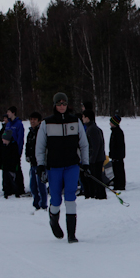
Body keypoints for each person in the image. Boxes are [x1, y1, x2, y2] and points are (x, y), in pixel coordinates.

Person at [35, 92, 90, 244]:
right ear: (54, 105)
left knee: (70, 196)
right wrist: (40, 165)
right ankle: (53, 219)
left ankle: (71, 234)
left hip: (72, 165)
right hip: (54, 167)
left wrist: (85, 163)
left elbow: (84, 144)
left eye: (64, 103)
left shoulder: (75, 121)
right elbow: (40, 147)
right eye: (59, 104)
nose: (62, 106)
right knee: (56, 198)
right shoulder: (47, 123)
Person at [82, 110, 107, 200]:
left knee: (97, 177)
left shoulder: (92, 129)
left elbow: (96, 145)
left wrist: (92, 159)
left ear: (87, 118)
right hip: (95, 158)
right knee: (95, 177)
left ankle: (100, 194)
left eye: (83, 117)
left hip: (96, 159)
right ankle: (97, 194)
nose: (82, 119)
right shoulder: (90, 128)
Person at [26, 112, 48, 210]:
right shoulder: (30, 133)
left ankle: (43, 204)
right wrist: (27, 155)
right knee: (33, 186)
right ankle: (36, 204)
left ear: (39, 121)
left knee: (41, 185)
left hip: (40, 163)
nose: (32, 121)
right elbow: (28, 145)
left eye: (34, 119)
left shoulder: (41, 132)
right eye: (31, 119)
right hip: (33, 163)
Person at [5, 106, 26, 195]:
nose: (7, 114)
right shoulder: (8, 124)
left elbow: (20, 138)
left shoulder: (18, 124)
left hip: (15, 149)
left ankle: (20, 188)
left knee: (17, 169)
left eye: (9, 112)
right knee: (9, 169)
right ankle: (10, 188)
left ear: (13, 113)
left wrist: (19, 151)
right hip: (8, 150)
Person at [0, 132, 21, 198]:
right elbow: (1, 156)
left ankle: (16, 192)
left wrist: (14, 166)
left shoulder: (13, 146)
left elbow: (15, 158)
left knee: (13, 180)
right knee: (5, 180)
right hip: (5, 166)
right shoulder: (3, 146)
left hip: (11, 167)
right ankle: (6, 192)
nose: (2, 140)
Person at [109, 114, 126, 190]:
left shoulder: (118, 132)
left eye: (111, 122)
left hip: (118, 156)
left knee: (119, 170)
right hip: (115, 155)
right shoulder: (114, 131)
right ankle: (117, 184)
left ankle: (120, 185)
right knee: (115, 171)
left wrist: (117, 155)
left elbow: (119, 145)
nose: (110, 123)